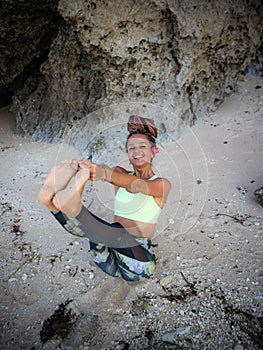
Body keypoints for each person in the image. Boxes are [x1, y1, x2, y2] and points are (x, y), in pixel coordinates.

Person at [38, 115, 171, 281]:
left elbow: (136, 184)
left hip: (138, 265)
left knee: (116, 230)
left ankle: (73, 209)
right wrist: (86, 168)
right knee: (96, 231)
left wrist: (105, 175)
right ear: (128, 154)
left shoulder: (161, 184)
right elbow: (111, 172)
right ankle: (48, 200)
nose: (136, 151)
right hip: (106, 256)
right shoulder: (120, 174)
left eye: (142, 146)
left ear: (154, 151)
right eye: (131, 148)